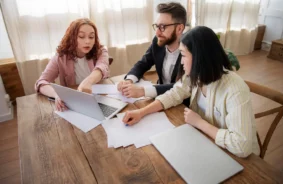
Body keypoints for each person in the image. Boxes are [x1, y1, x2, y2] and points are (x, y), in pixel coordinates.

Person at [122, 26, 260, 158]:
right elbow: (174, 94)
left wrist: (199, 123)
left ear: (200, 58)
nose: (181, 62)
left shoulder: (235, 90)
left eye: (183, 55)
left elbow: (241, 146)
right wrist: (140, 113)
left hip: (237, 156)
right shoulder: (195, 74)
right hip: (207, 142)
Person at [35, 18, 109, 111]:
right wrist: (57, 95)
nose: (87, 41)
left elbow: (101, 68)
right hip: (74, 104)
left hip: (99, 99)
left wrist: (88, 82)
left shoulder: (100, 51)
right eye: (81, 36)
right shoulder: (61, 57)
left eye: (91, 37)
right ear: (72, 38)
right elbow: (41, 83)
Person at [117, 2, 186, 99]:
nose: (157, 33)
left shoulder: (190, 51)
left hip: (181, 104)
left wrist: (143, 91)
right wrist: (129, 80)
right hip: (160, 99)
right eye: (157, 26)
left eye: (163, 27)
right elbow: (143, 63)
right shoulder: (158, 42)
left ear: (179, 28)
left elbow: (182, 87)